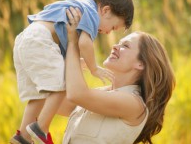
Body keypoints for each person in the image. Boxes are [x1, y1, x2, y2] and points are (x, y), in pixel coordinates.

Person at [10, 0, 134, 144]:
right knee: (63, 82)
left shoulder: (77, 5)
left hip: (25, 40)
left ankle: (23, 138)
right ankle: (41, 128)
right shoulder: (90, 13)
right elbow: (84, 43)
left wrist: (80, 62)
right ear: (105, 10)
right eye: (113, 26)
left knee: (38, 95)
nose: (109, 32)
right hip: (40, 40)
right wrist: (93, 67)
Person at [57, 8, 175, 144]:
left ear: (141, 63)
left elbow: (77, 94)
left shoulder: (134, 104)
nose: (114, 46)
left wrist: (73, 43)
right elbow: (55, 103)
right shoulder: (100, 94)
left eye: (125, 45)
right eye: (118, 43)